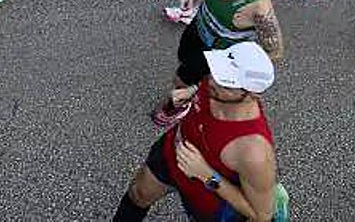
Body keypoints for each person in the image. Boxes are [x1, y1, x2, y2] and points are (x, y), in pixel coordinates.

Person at [113, 42, 281, 222]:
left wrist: (207, 175)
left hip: (207, 197)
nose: (211, 82)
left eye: (226, 83)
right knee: (138, 194)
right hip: (172, 152)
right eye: (217, 72)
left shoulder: (254, 152)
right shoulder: (215, 83)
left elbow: (262, 215)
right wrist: (191, 91)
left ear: (253, 95)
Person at [154, 0, 281, 129]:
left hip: (215, 53)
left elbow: (275, 52)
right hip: (196, 29)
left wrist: (231, 73)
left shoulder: (259, 8)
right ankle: (188, 91)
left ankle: (182, 104)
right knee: (182, 60)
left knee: (181, 79)